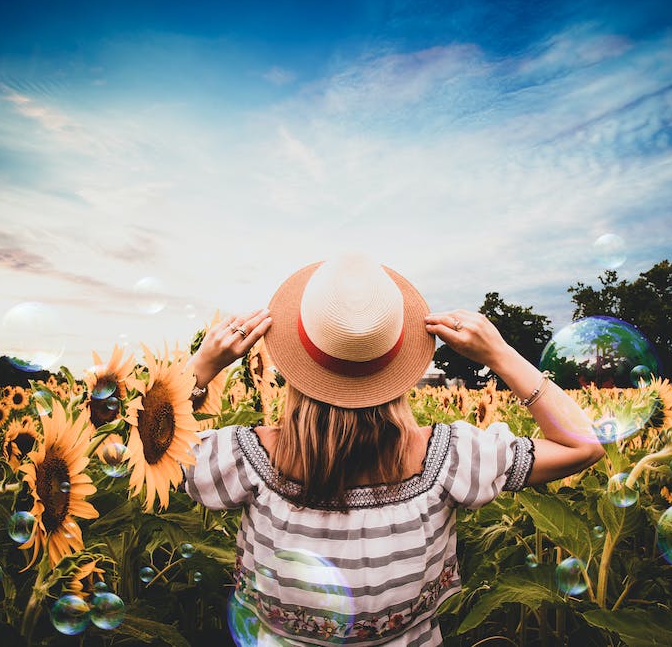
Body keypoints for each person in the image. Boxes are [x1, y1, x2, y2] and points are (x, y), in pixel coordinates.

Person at [183, 254, 604, 646]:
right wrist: (500, 354)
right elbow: (582, 445)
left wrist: (200, 369)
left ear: (296, 365)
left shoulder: (244, 458)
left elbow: (147, 447)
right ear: (399, 365)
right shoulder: (450, 457)